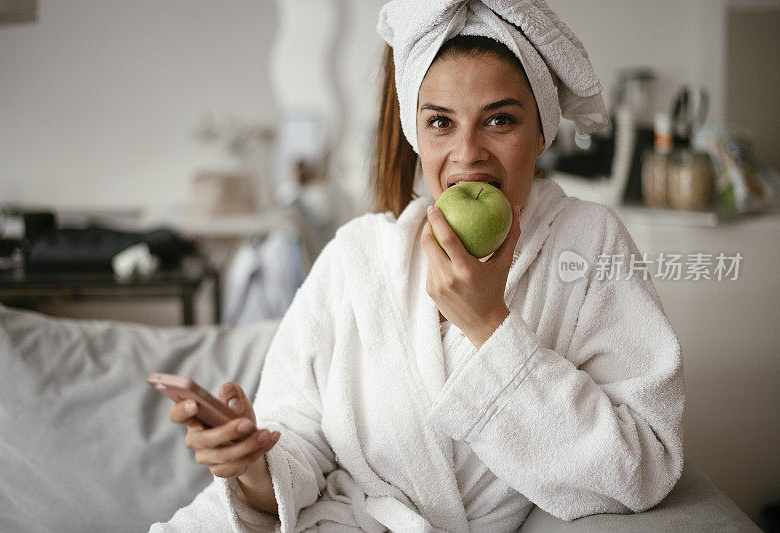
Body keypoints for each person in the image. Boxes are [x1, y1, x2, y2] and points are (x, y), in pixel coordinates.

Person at [151, 1, 685, 531]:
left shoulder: (589, 243)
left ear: (542, 131)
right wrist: (249, 464)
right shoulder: (356, 257)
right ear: (415, 134)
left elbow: (644, 465)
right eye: (441, 123)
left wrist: (488, 326)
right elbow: (297, 442)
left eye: (500, 119)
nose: (468, 153)